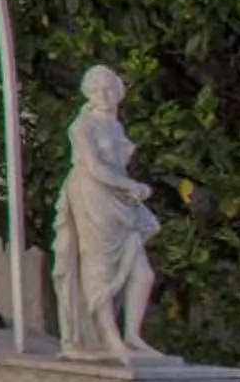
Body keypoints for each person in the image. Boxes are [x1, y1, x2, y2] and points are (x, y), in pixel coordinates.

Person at [53, 64, 162, 359]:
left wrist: (128, 189)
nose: (103, 94)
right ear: (87, 93)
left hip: (118, 197)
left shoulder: (114, 125)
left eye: (109, 88)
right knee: (98, 266)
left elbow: (114, 165)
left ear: (118, 91)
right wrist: (130, 185)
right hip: (91, 194)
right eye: (96, 89)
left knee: (143, 273)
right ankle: (109, 339)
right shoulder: (81, 126)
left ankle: (132, 336)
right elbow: (93, 167)